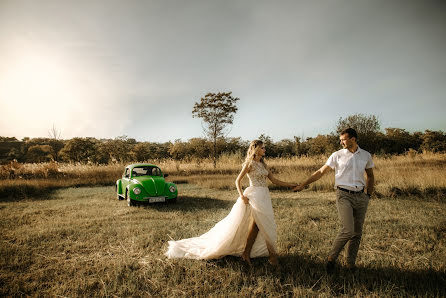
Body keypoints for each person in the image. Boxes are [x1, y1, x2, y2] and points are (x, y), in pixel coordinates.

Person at [165, 140, 296, 267]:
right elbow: (237, 181)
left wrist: (290, 185)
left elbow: (274, 180)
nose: (265, 150)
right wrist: (242, 196)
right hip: (254, 196)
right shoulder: (249, 164)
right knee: (264, 225)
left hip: (264, 197)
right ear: (255, 149)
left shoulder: (263, 164)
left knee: (257, 226)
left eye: (264, 148)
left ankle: (247, 254)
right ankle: (272, 258)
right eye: (262, 148)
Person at [293, 128, 374, 273]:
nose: (341, 142)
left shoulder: (366, 155)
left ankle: (350, 264)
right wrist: (304, 184)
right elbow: (320, 172)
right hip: (343, 195)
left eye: (343, 139)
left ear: (353, 139)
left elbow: (370, 176)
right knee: (347, 230)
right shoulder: (337, 155)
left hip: (361, 196)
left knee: (357, 233)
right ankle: (331, 259)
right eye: (341, 139)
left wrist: (368, 195)